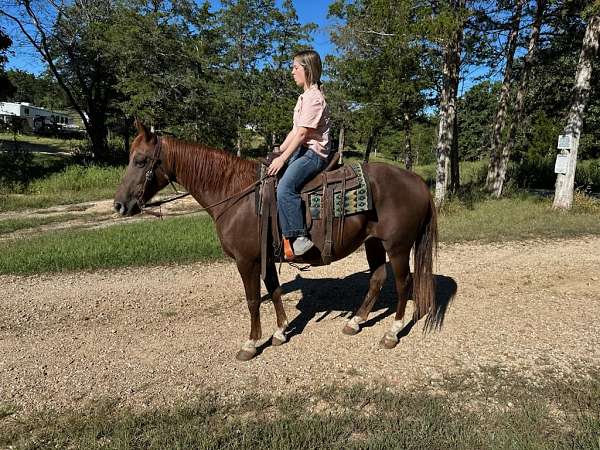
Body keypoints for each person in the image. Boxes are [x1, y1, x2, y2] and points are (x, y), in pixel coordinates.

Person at [267, 49, 330, 257]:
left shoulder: (314, 98)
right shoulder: (304, 97)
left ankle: (299, 237)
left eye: (295, 68)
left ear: (308, 70)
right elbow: (294, 131)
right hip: (302, 149)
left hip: (313, 154)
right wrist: (278, 151)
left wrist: (283, 158)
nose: (292, 72)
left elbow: (303, 134)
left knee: (285, 187)